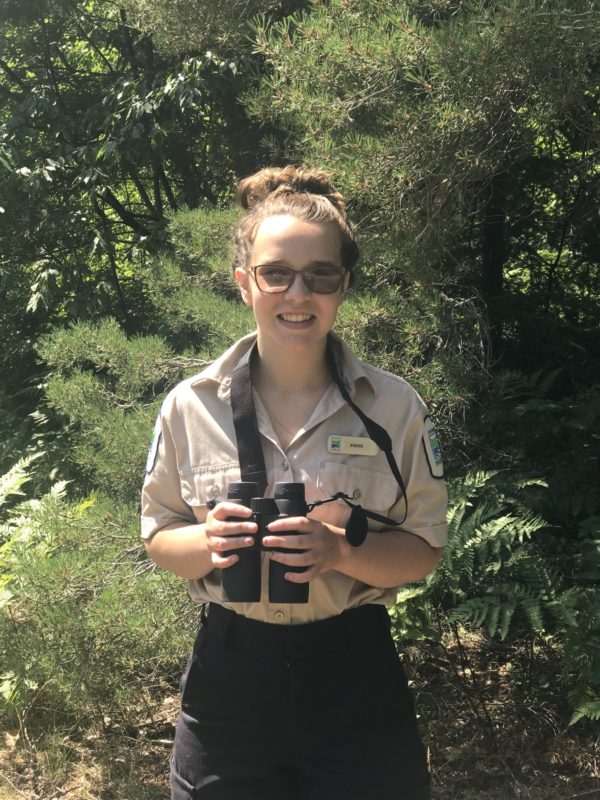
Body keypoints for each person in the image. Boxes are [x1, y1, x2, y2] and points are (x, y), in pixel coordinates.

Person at [141, 165, 448, 800]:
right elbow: (159, 537)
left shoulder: (393, 409)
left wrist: (338, 551)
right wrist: (210, 542)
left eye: (320, 276)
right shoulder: (189, 406)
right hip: (230, 682)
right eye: (275, 273)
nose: (297, 294)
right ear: (244, 283)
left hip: (354, 676)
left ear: (343, 286)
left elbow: (423, 550)